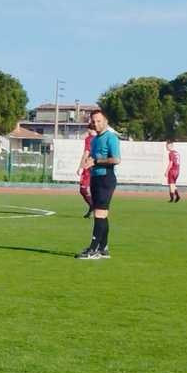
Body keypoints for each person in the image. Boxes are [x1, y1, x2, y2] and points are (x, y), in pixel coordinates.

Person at [77, 109, 119, 260]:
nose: (96, 124)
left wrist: (96, 161)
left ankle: (93, 249)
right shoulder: (94, 140)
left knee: (99, 214)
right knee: (101, 214)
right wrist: (88, 163)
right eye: (93, 121)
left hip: (106, 179)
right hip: (95, 178)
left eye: (99, 121)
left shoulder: (111, 137)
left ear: (106, 121)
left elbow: (116, 159)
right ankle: (103, 248)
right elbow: (92, 158)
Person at [78, 124, 96, 218]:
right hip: (97, 166)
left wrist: (80, 167)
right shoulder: (99, 138)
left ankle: (93, 206)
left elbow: (86, 153)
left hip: (89, 167)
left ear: (89, 129)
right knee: (88, 189)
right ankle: (93, 207)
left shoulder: (89, 139)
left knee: (83, 189)